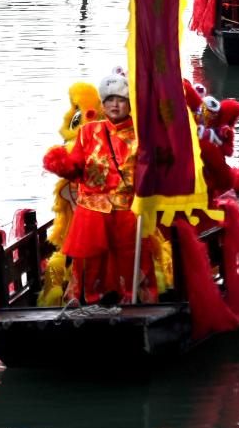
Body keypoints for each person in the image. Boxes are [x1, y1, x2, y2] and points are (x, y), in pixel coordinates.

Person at [43, 70, 155, 305]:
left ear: (129, 104)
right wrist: (62, 166)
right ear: (103, 104)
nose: (115, 105)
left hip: (127, 207)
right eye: (110, 100)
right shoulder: (87, 132)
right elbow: (76, 168)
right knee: (88, 259)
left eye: (121, 100)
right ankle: (86, 298)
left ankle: (134, 299)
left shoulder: (142, 134)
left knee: (131, 255)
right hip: (92, 208)